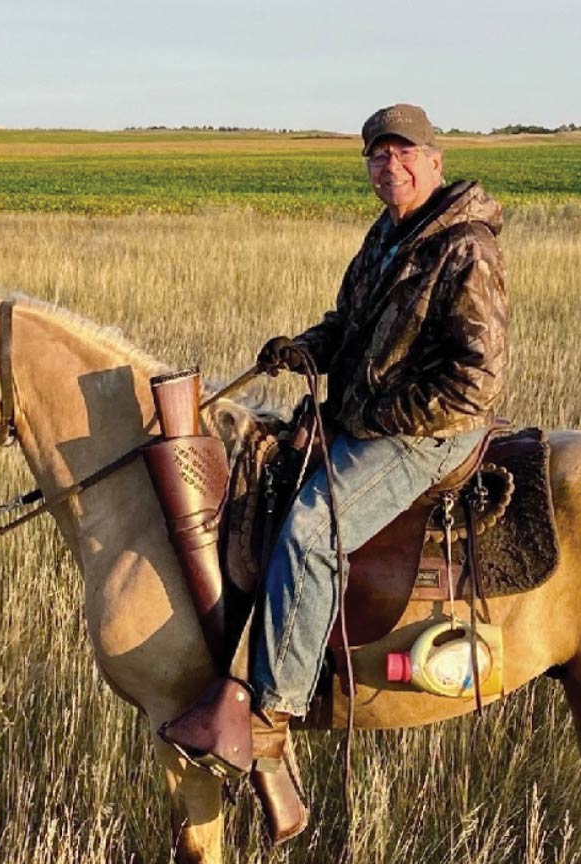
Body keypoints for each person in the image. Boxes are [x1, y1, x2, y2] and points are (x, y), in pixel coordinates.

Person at [162, 103, 507, 776]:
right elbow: (348, 325)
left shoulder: (466, 248)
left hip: (427, 433)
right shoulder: (387, 236)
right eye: (378, 155)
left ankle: (275, 708)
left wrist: (373, 418)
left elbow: (478, 381)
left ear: (435, 161)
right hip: (369, 416)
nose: (390, 165)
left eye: (404, 152)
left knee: (312, 529)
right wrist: (305, 348)